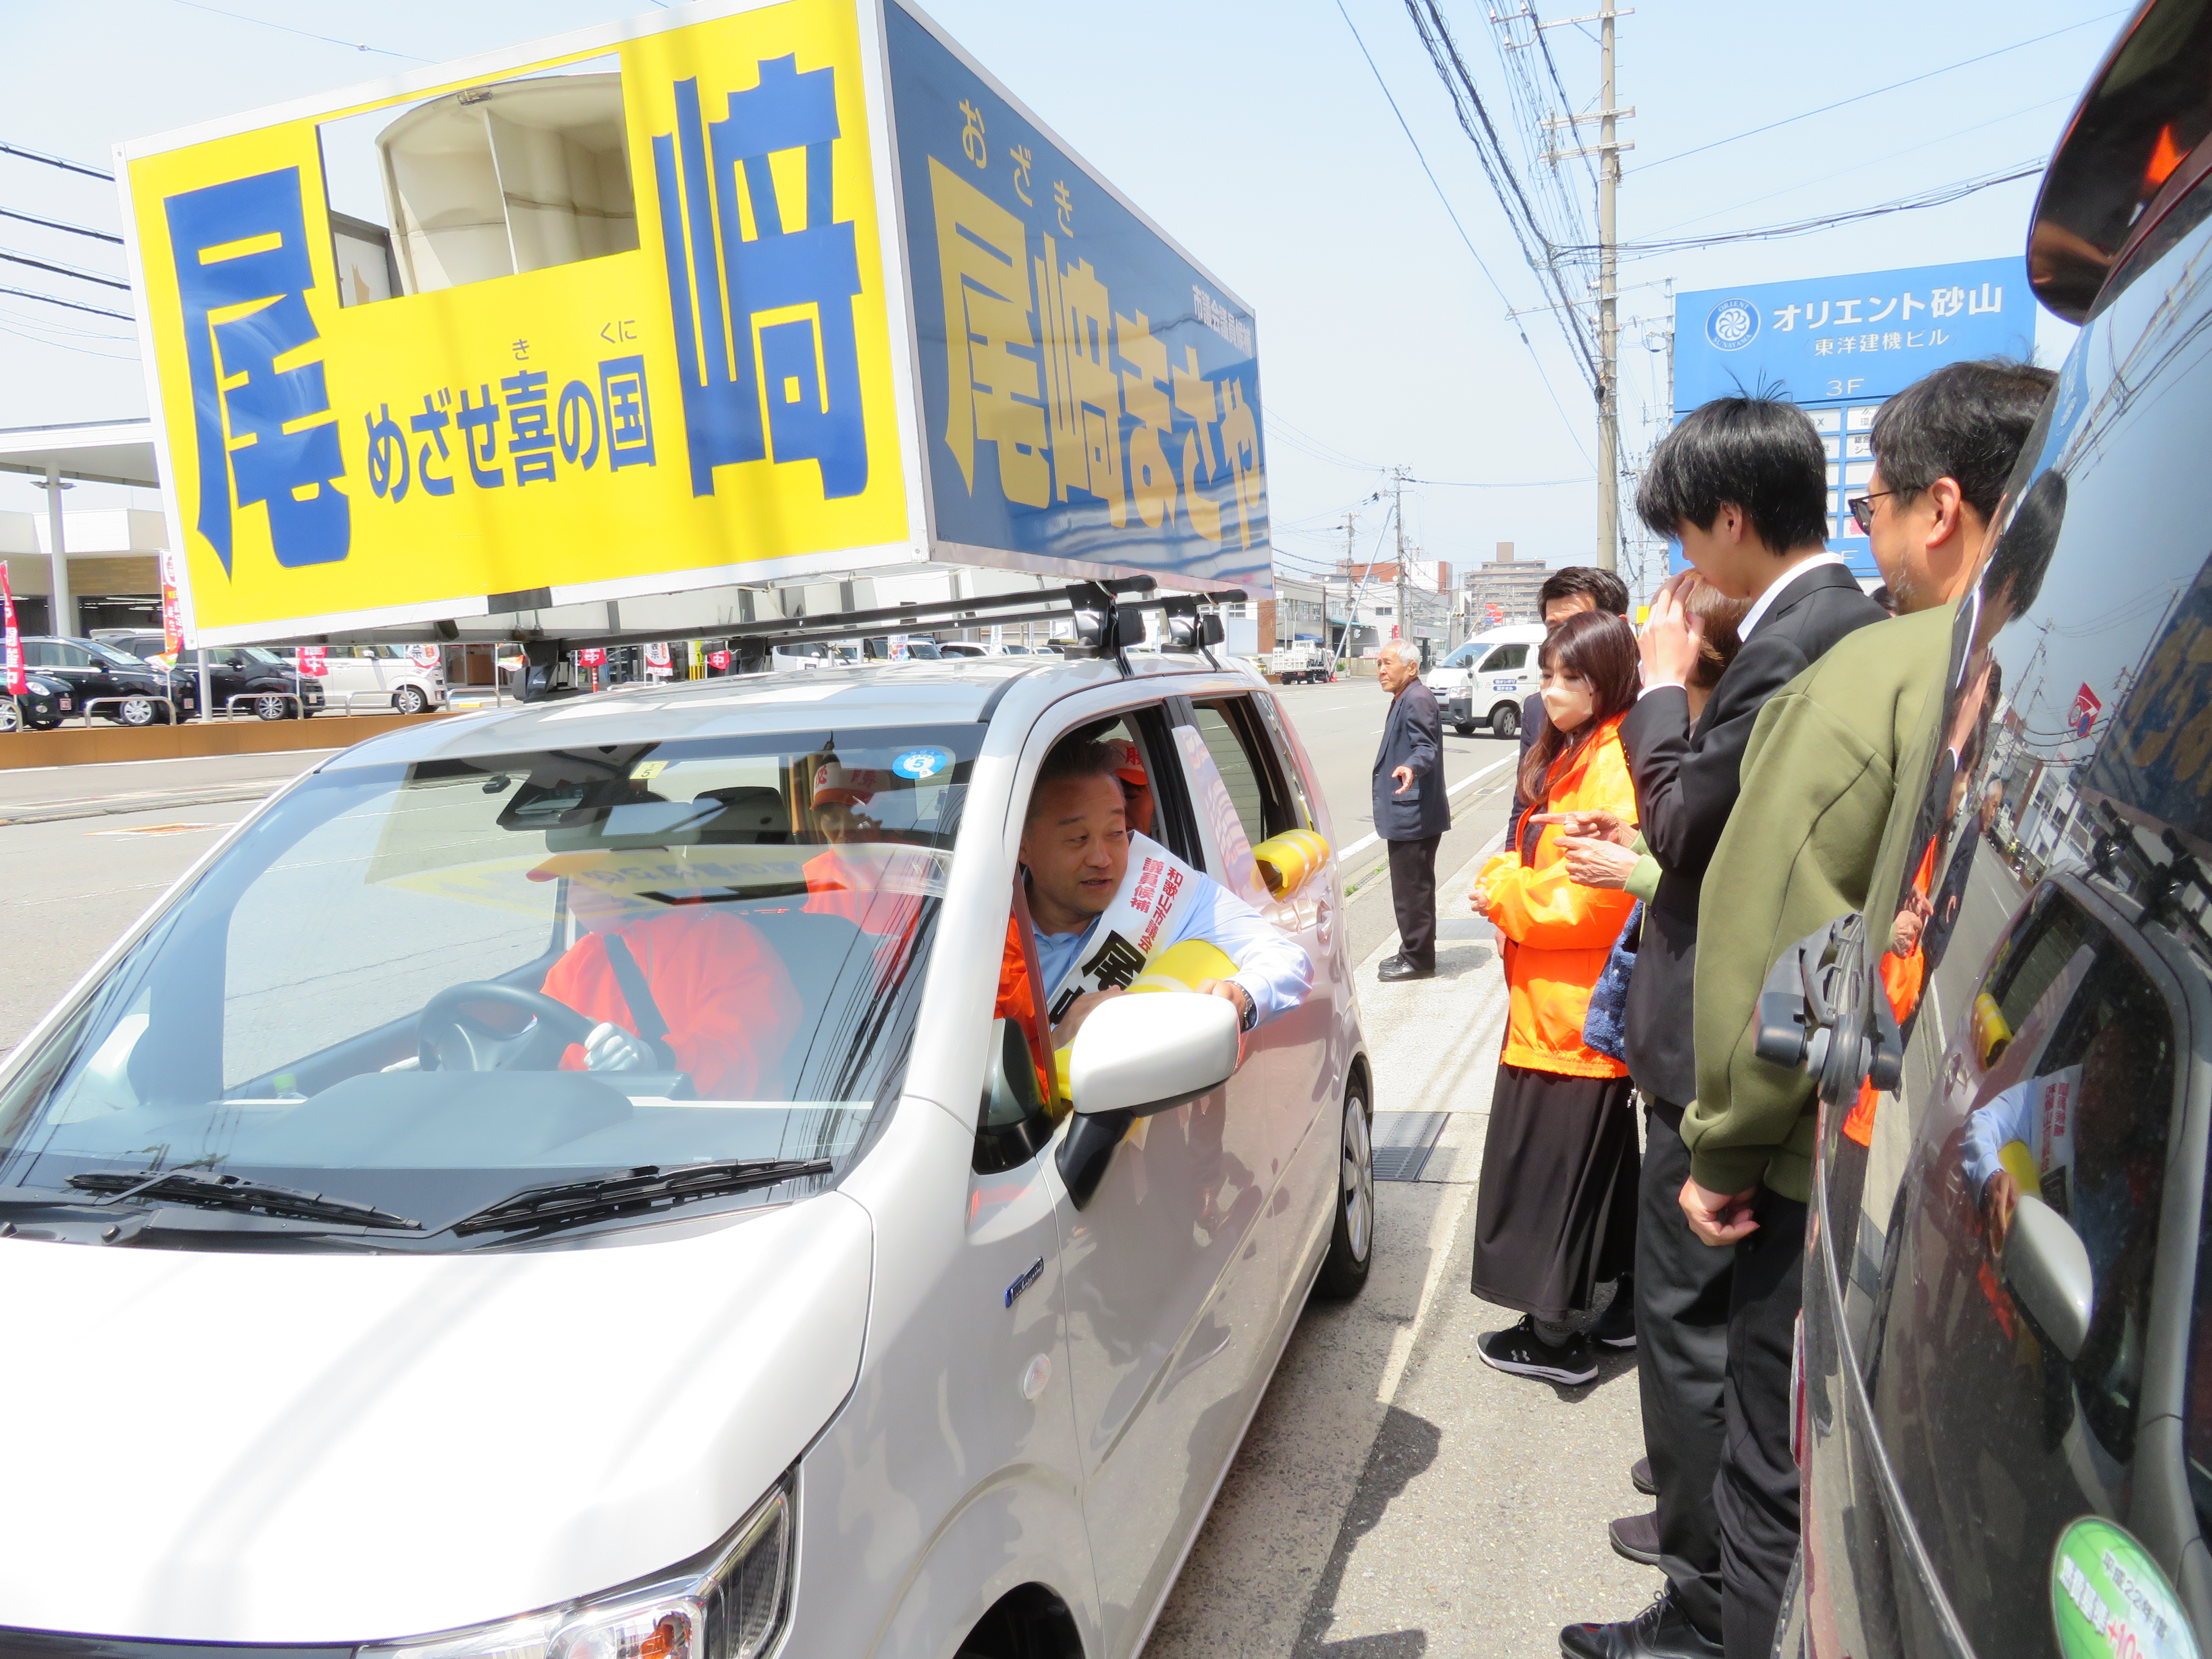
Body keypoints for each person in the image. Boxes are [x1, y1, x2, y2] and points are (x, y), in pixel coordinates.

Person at [1659, 358, 2053, 1659]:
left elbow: (1784, 934)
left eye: (1876, 506)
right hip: (2016, 1166)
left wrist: (1723, 1146)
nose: (1868, 533)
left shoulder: (1879, 673)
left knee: (1785, 1489)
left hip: (1841, 1158)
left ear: (1940, 509)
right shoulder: (2080, 653)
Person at [1551, 396, 1888, 1659]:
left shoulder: (1790, 645)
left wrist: (1668, 685)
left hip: (1731, 1058)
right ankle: (1718, 1580)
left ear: (1732, 520)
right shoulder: (1841, 627)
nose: (1685, 565)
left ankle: (1702, 1608)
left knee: (1693, 1335)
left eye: (1687, 537)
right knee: (1731, 1342)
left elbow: (1690, 832)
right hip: (1773, 1045)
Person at [1466, 609, 1644, 1385]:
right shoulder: (1585, 748)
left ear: (1606, 678)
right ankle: (1612, 1312)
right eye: (1546, 674)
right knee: (1593, 1177)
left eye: (1570, 676)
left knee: (1548, 1180)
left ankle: (1553, 1338)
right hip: (1556, 1007)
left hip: (1569, 1016)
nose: (1551, 690)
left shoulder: (1612, 760)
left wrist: (1501, 893)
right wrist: (1506, 878)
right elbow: (1537, 856)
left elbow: (1593, 898)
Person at [1020, 735, 1311, 1046]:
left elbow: (1288, 960)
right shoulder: (994, 943)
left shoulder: (1167, 893)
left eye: (1116, 833)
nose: (1102, 859)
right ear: (1023, 846)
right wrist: (1054, 1046)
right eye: (1079, 838)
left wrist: (1241, 997)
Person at [533, 848, 802, 1100]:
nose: (571, 898)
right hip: (592, 1120)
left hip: (712, 1125)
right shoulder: (584, 956)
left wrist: (658, 1060)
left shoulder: (728, 942)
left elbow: (741, 1053)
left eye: (582, 881)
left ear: (626, 884)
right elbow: (537, 1042)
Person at [1512, 566, 1633, 822]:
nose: (1562, 637)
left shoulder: (1648, 710)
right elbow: (1524, 807)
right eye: (1553, 627)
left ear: (1618, 628)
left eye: (1577, 623)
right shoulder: (1537, 707)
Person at [1373, 639, 1449, 982]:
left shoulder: (1417, 698)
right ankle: (1413, 950)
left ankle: (1419, 959)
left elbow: (1426, 748)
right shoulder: (1406, 696)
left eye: (1388, 663)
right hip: (1411, 809)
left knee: (1413, 891)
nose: (1381, 671)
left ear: (1412, 667)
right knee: (1410, 889)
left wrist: (1411, 767)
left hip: (1414, 813)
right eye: (1379, 664)